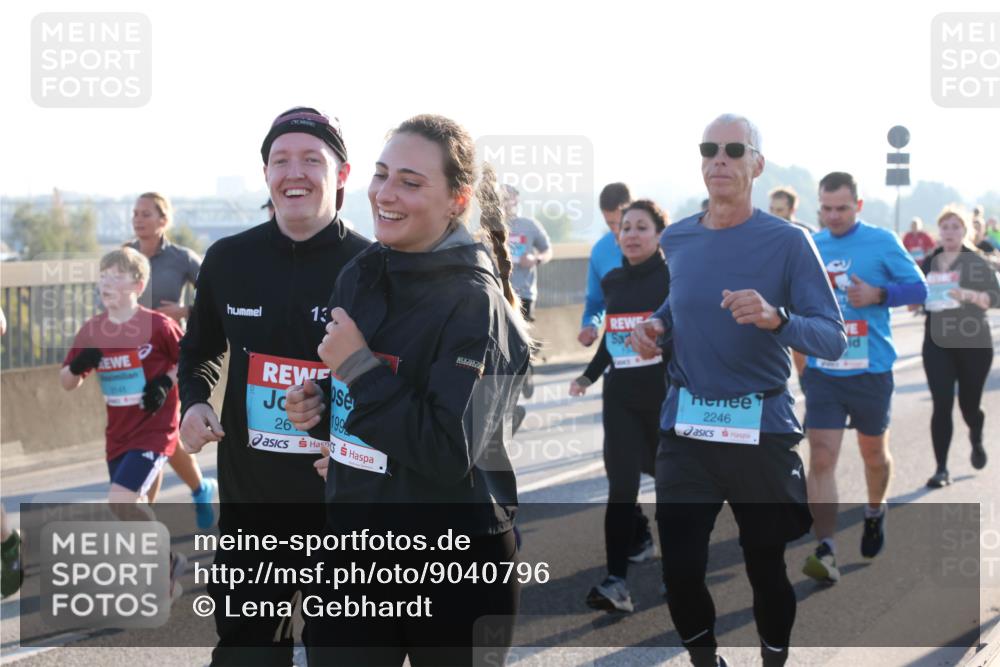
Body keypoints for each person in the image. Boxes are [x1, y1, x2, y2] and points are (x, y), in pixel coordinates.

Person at [285, 113, 530, 666]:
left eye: (411, 182)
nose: (385, 194)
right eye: (381, 174)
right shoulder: (360, 273)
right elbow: (364, 411)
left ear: (457, 200)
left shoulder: (475, 303)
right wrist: (321, 406)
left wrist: (358, 368)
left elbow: (448, 454)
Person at [630, 114, 846, 667]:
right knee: (677, 570)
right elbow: (678, 306)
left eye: (733, 149)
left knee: (764, 565)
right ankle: (707, 662)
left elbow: (833, 337)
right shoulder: (677, 237)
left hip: (760, 428)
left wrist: (778, 320)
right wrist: (656, 328)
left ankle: (773, 659)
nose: (719, 159)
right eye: (709, 148)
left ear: (757, 163)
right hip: (686, 428)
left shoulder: (789, 241)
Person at [177, 107, 370, 665]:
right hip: (251, 503)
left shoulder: (372, 267)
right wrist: (194, 402)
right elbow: (202, 349)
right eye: (281, 160)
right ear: (265, 175)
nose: (295, 172)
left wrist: (336, 420)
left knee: (345, 653)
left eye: (313, 159)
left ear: (342, 173)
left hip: (343, 503)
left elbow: (395, 379)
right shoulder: (229, 259)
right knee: (245, 652)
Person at [801, 172, 927, 586]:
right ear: (818, 206)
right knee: (820, 457)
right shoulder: (812, 247)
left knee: (873, 454)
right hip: (825, 373)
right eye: (826, 208)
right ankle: (826, 547)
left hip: (871, 370)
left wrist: (879, 295)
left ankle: (875, 509)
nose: (833, 216)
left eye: (842, 208)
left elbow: (920, 289)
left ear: (858, 206)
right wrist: (802, 365)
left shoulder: (882, 241)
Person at [60, 247, 187, 594]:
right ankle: (167, 565)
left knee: (121, 500)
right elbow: (67, 382)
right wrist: (79, 363)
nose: (106, 283)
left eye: (116, 276)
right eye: (103, 276)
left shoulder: (159, 325)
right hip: (118, 435)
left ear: (138, 284)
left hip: (156, 431)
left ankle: (163, 567)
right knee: (130, 509)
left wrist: (164, 382)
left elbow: (190, 360)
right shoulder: (93, 329)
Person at [569, 199, 670, 613]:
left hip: (665, 401)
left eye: (641, 227)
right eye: (625, 228)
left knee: (671, 491)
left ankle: (677, 572)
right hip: (622, 401)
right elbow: (614, 338)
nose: (630, 234)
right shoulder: (613, 281)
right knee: (622, 490)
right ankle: (616, 583)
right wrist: (588, 376)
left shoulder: (672, 279)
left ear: (659, 234)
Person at [127, 192, 218, 530]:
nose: (138, 219)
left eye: (146, 214)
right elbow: (105, 299)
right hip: (130, 360)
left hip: (169, 357)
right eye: (135, 213)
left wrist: (183, 311)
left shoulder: (182, 258)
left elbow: (214, 301)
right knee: (160, 437)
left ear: (163, 220)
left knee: (152, 435)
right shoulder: (123, 256)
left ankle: (140, 521)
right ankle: (200, 487)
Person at [918, 205, 999, 487]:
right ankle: (941, 468)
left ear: (965, 231)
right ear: (938, 231)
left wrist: (968, 295)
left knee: (968, 406)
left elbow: (995, 297)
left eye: (955, 227)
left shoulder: (977, 262)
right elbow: (914, 296)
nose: (950, 232)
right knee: (941, 404)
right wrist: (915, 301)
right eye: (945, 227)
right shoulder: (928, 262)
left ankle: (975, 436)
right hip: (937, 342)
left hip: (973, 343)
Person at [579, 182, 631, 347]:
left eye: (622, 223)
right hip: (619, 352)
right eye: (610, 224)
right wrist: (590, 325)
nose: (617, 231)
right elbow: (595, 302)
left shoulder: (662, 242)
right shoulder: (600, 251)